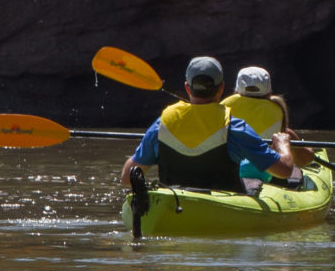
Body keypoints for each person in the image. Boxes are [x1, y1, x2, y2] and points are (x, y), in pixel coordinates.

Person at [123, 55, 304, 194]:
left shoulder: (161, 124)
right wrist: (283, 145)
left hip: (175, 202)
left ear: (188, 88)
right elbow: (285, 171)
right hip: (221, 206)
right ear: (221, 89)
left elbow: (127, 177)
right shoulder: (235, 127)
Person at [222, 66, 293, 183]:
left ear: (236, 90)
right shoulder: (277, 107)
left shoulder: (225, 105)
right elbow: (306, 158)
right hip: (268, 171)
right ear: (269, 91)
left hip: (231, 170)